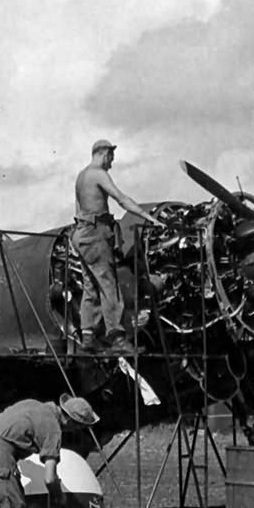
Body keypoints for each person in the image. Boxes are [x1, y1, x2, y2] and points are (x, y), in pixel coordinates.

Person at [72, 138, 162, 353]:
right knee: (109, 285)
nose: (112, 163)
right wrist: (148, 218)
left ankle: (88, 337)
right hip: (96, 233)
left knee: (91, 286)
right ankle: (118, 338)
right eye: (111, 158)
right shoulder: (98, 174)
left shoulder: (81, 176)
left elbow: (78, 209)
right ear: (104, 154)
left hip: (81, 233)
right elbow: (121, 199)